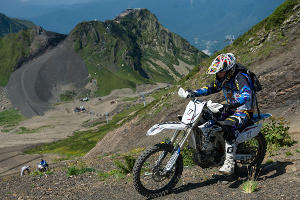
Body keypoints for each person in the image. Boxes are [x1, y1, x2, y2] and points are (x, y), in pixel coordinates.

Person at [191, 53, 254, 174]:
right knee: (208, 118)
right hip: (231, 109)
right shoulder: (224, 78)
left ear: (229, 70)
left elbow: (247, 94)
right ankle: (216, 149)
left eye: (220, 72)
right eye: (217, 72)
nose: (218, 75)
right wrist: (193, 93)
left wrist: (234, 104)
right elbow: (211, 88)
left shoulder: (240, 77)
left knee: (227, 125)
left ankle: (229, 163)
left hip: (244, 111)